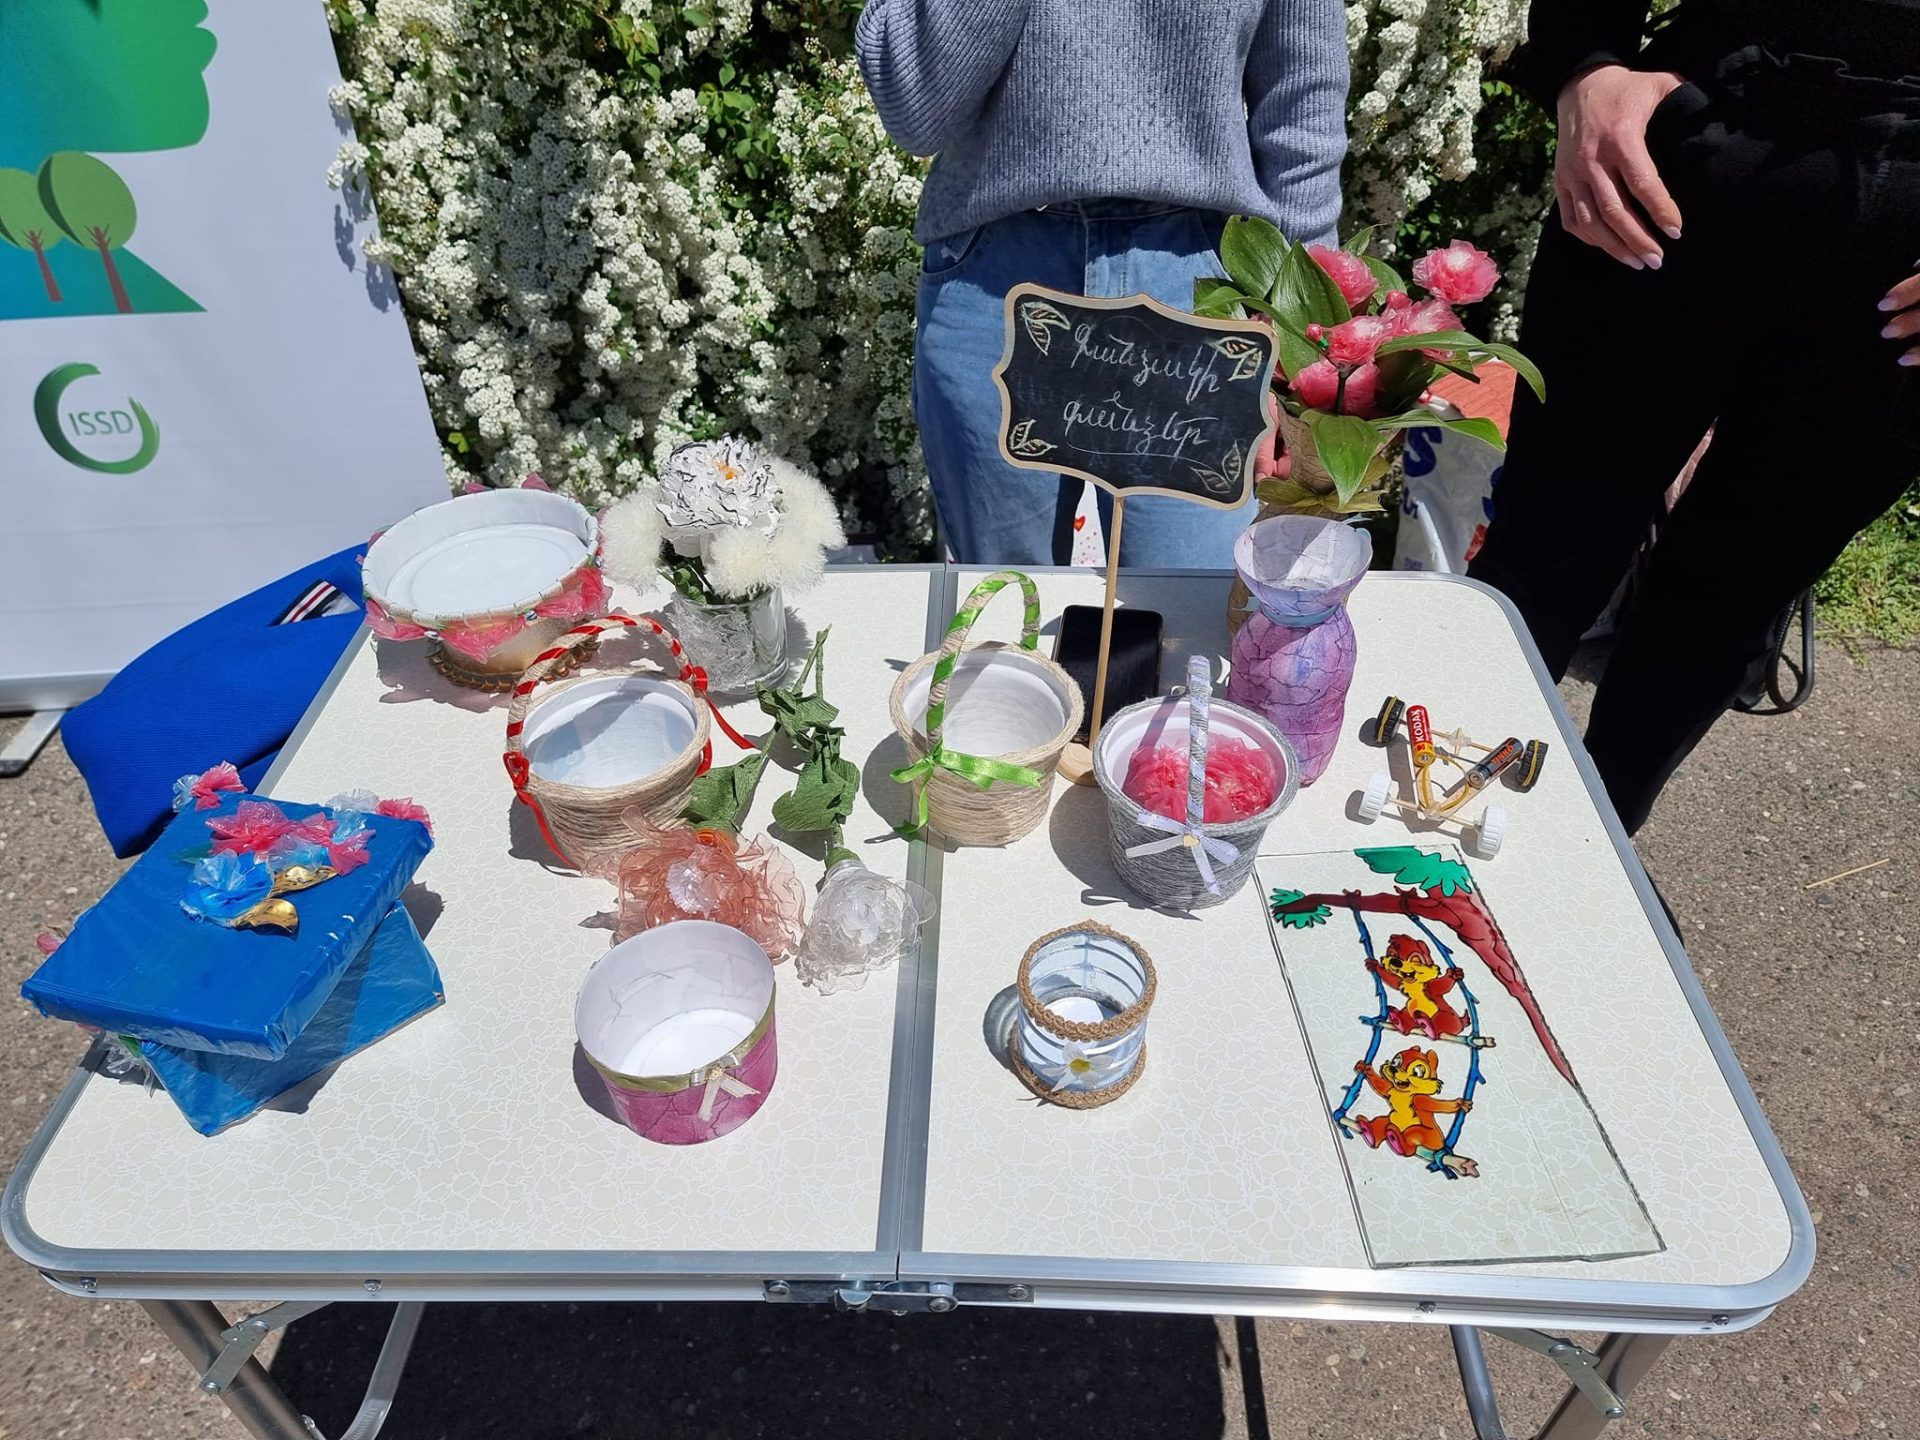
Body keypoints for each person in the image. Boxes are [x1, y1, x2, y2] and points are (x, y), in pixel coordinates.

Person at [1469, 0, 1920, 835]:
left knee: (1727, 607)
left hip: (1902, 269)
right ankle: (1427, 811)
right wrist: (1587, 64)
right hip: (1695, 141)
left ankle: (1592, 847)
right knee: (1542, 551)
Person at [856, 1, 1349, 566]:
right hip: (1000, 279)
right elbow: (916, 107)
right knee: (1005, 606)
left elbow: (1302, 105)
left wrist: (1301, 338)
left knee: (1187, 609)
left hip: (1196, 289)